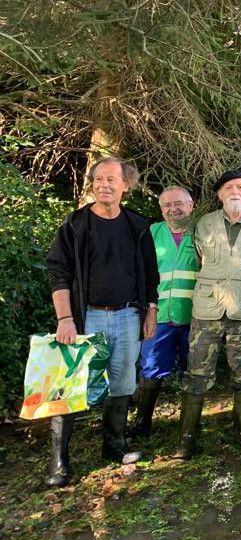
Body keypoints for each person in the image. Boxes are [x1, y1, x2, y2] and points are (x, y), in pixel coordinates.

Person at [45, 156, 159, 486]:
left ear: (127, 185)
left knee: (123, 381)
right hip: (85, 316)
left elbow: (151, 274)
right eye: (98, 179)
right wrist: (65, 318)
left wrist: (150, 311)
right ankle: (58, 461)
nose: (104, 185)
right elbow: (58, 274)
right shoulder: (75, 225)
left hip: (127, 315)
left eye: (111, 179)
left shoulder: (138, 226)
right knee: (70, 385)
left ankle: (114, 444)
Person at [174, 169, 241, 460]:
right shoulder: (204, 224)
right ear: (219, 194)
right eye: (229, 187)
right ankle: (187, 439)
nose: (235, 191)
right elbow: (199, 260)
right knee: (196, 374)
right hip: (207, 309)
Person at [129, 186, 197, 438]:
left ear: (191, 205)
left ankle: (189, 426)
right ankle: (143, 421)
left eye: (178, 203)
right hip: (158, 316)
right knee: (151, 366)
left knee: (193, 370)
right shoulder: (152, 233)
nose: (173, 209)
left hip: (194, 316)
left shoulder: (201, 233)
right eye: (167, 205)